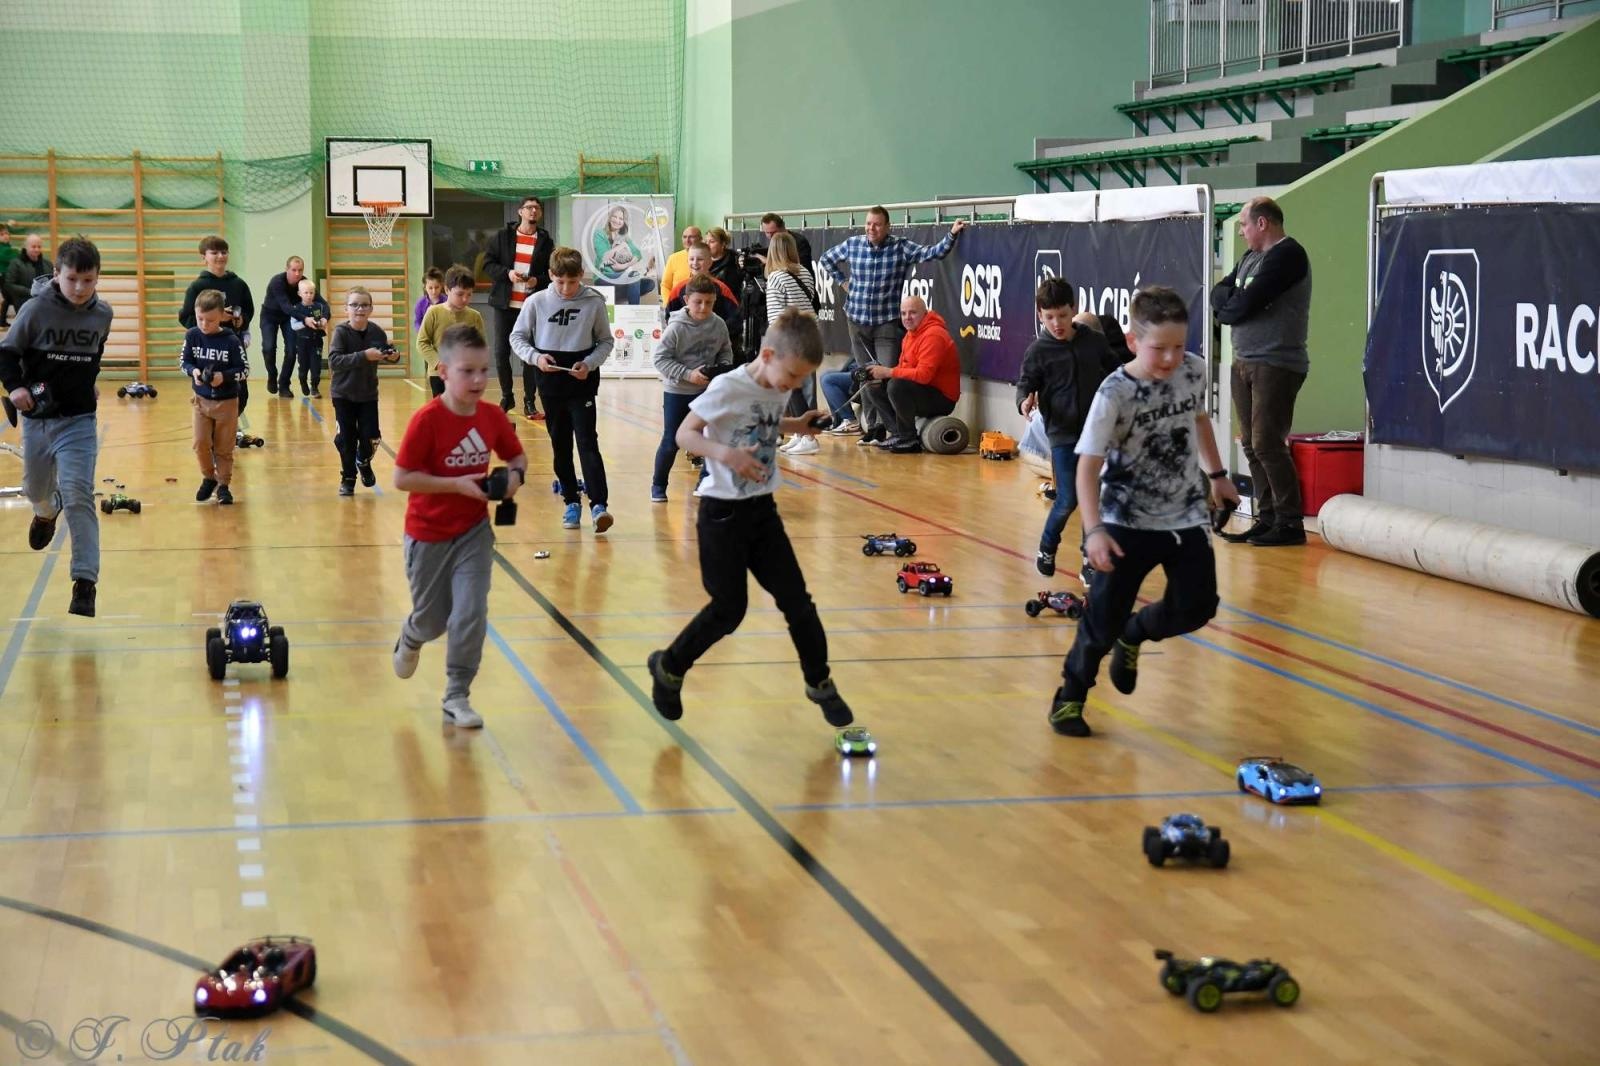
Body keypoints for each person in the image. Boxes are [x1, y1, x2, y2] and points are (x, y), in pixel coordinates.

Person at [644, 307, 854, 729]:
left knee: (798, 602)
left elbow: (764, 423)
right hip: (721, 512)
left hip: (762, 510)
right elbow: (685, 434)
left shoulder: (777, 386)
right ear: (768, 353)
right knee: (729, 609)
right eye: (792, 377)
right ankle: (669, 666)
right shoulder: (727, 387)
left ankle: (820, 682)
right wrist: (727, 455)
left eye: (800, 380)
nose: (793, 386)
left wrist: (798, 424)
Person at [1047, 286, 1239, 738]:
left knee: (1197, 607)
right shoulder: (1114, 393)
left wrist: (1217, 475)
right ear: (1133, 342)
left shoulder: (1193, 371)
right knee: (1101, 620)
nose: (1171, 358)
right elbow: (1087, 467)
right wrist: (1093, 530)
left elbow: (1197, 419)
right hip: (1124, 521)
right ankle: (1070, 699)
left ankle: (1134, 635)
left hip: (1185, 515)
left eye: (1178, 346)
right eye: (1159, 349)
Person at [391, 323, 527, 730]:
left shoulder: (491, 416)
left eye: (484, 370)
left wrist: (513, 480)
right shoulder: (427, 420)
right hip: (427, 534)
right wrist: (456, 485)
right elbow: (402, 478)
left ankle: (456, 694)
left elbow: (518, 460)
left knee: (470, 612)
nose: (479, 380)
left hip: (473, 532)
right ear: (444, 372)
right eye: (468, 371)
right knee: (433, 620)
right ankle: (412, 635)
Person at [0, 237, 113, 617]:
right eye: (72, 279)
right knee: (35, 488)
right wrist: (15, 387)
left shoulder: (103, 315)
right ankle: (46, 512)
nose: (80, 288)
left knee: (79, 493)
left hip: (79, 421)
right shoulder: (35, 310)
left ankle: (85, 581)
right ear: (58, 275)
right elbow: (7, 354)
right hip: (37, 422)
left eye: (88, 280)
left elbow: (93, 355)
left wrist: (87, 381)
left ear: (97, 277)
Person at [1211, 195, 1312, 547]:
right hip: (1244, 360)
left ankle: (1289, 521)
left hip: (1276, 362)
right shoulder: (1249, 258)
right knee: (1252, 445)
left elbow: (1244, 305)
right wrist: (1230, 305)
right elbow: (1219, 294)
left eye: (1243, 224)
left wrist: (1231, 306)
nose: (1240, 232)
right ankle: (1266, 515)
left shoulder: (1287, 256)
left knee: (1268, 442)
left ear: (1262, 223)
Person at [818, 209, 966, 443]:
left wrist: (951, 235)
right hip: (856, 321)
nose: (871, 229)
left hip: (885, 323)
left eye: (877, 225)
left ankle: (897, 430)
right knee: (866, 377)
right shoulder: (853, 244)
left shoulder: (900, 247)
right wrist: (843, 281)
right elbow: (826, 259)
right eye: (868, 224)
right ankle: (876, 429)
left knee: (885, 378)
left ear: (888, 226)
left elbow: (932, 253)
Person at [1016, 277, 1120, 576]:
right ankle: (1047, 547)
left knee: (1094, 497)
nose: (1057, 323)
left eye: (1062, 315)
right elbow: (1026, 383)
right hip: (1061, 433)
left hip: (1095, 432)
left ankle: (1090, 560)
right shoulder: (1038, 350)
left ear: (1073, 309)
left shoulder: (1094, 341)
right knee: (1068, 499)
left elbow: (1116, 371)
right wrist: (1024, 400)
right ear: (1040, 315)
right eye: (1049, 317)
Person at [509, 247, 615, 533]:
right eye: (560, 282)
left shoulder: (594, 302)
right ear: (551, 276)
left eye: (572, 282)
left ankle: (598, 505)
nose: (567, 288)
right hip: (551, 382)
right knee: (560, 444)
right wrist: (536, 358)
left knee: (587, 442)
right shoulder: (536, 302)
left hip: (581, 381)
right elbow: (517, 337)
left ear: (581, 276)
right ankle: (571, 500)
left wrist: (590, 363)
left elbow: (605, 341)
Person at [652, 274, 733, 503]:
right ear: (687, 300)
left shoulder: (718, 324)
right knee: (671, 440)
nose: (703, 307)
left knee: (711, 437)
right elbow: (660, 360)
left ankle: (706, 480)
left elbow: (726, 351)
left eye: (709, 302)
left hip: (707, 392)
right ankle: (658, 485)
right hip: (678, 392)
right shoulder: (676, 328)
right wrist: (689, 375)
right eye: (698, 302)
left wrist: (720, 371)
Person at [860, 295, 961, 454]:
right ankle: (897, 432)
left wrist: (888, 372)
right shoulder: (910, 334)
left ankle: (908, 438)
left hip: (942, 398)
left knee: (896, 385)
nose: (907, 317)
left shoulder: (933, 335)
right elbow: (904, 368)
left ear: (924, 313)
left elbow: (924, 375)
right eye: (903, 313)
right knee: (873, 385)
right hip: (921, 390)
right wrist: (881, 376)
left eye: (912, 313)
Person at [482, 196, 552, 419]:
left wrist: (537, 281)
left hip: (530, 307)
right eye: (529, 208)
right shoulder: (503, 236)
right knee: (502, 352)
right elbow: (487, 264)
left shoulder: (546, 241)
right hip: (505, 304)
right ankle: (506, 395)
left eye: (537, 209)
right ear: (520, 211)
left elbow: (551, 274)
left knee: (529, 355)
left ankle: (530, 401)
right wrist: (508, 274)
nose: (533, 211)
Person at [180, 289, 248, 507]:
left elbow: (244, 370)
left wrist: (224, 377)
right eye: (200, 318)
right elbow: (184, 362)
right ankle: (209, 477)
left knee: (224, 448)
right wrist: (195, 373)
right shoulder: (192, 335)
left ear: (222, 316)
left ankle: (224, 486)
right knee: (200, 443)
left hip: (227, 402)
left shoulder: (231, 340)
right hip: (201, 401)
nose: (203, 324)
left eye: (209, 320)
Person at [328, 286, 396, 496]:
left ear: (371, 308)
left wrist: (393, 356)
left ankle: (363, 460)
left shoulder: (376, 332)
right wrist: (363, 356)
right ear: (346, 308)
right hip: (343, 395)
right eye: (354, 304)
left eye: (364, 305)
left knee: (371, 436)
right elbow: (334, 361)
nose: (359, 309)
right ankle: (348, 478)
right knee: (347, 439)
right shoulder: (341, 332)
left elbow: (383, 353)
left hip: (367, 394)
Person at [179, 235, 254, 414]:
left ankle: (228, 428)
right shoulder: (197, 286)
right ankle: (212, 433)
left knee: (240, 392)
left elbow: (248, 311)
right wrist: (214, 321)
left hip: (233, 343)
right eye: (214, 252)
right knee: (208, 391)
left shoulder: (239, 284)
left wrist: (240, 320)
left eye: (224, 252)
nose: (220, 256)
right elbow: (186, 317)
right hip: (208, 348)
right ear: (204, 257)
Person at [765, 232, 822, 452]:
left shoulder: (776, 277)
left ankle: (807, 436)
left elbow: (776, 316)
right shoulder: (804, 272)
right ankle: (801, 433)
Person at [417, 265, 485, 398]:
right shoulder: (433, 312)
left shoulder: (475, 316)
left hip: (466, 375)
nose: (465, 299)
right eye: (460, 294)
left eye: (469, 294)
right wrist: (438, 362)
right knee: (443, 413)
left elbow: (480, 346)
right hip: (439, 375)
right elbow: (421, 342)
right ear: (447, 290)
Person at [591, 204, 656, 305]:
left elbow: (638, 254)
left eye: (621, 218)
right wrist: (621, 246)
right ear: (609, 217)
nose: (617, 220)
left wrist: (623, 266)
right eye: (614, 217)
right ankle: (632, 311)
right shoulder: (600, 233)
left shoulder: (624, 237)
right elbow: (604, 257)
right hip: (604, 276)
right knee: (633, 276)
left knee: (649, 284)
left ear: (623, 222)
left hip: (621, 277)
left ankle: (620, 295)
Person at [259, 256, 305, 395]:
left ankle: (284, 384)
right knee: (269, 347)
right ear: (287, 269)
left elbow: (318, 300)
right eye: (294, 270)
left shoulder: (304, 283)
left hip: (289, 318)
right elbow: (286, 306)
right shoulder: (277, 282)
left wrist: (325, 315)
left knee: (292, 350)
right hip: (269, 315)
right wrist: (305, 318)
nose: (297, 273)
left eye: (300, 270)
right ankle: (272, 375)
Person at [287, 277, 331, 399]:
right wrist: (305, 323)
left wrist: (322, 322)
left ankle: (315, 387)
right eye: (306, 293)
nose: (309, 295)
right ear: (300, 294)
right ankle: (303, 382)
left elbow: (324, 319)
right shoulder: (296, 309)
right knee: (303, 366)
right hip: (302, 342)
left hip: (316, 341)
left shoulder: (319, 307)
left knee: (316, 367)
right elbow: (293, 326)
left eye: (311, 292)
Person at [3, 234, 54, 319]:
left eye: (39, 246)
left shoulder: (47, 264)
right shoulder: (15, 263)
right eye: (33, 247)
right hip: (23, 303)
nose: (37, 249)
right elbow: (9, 284)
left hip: (44, 302)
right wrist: (30, 292)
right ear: (26, 247)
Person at [659, 224, 702, 308]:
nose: (687, 240)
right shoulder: (673, 258)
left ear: (700, 239)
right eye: (684, 237)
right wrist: (668, 304)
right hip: (675, 307)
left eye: (691, 237)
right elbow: (665, 285)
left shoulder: (707, 258)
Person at [703, 227, 745, 299]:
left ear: (723, 244)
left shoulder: (735, 261)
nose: (707, 245)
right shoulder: (702, 261)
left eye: (712, 242)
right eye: (706, 242)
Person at [0, 223, 16, 326]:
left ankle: (2, 321)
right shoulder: (3, 248)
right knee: (12, 297)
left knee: (8, 298)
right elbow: (7, 255)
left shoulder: (6, 246)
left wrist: (8, 225)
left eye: (7, 233)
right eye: (2, 234)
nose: (6, 236)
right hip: (2, 276)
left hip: (7, 276)